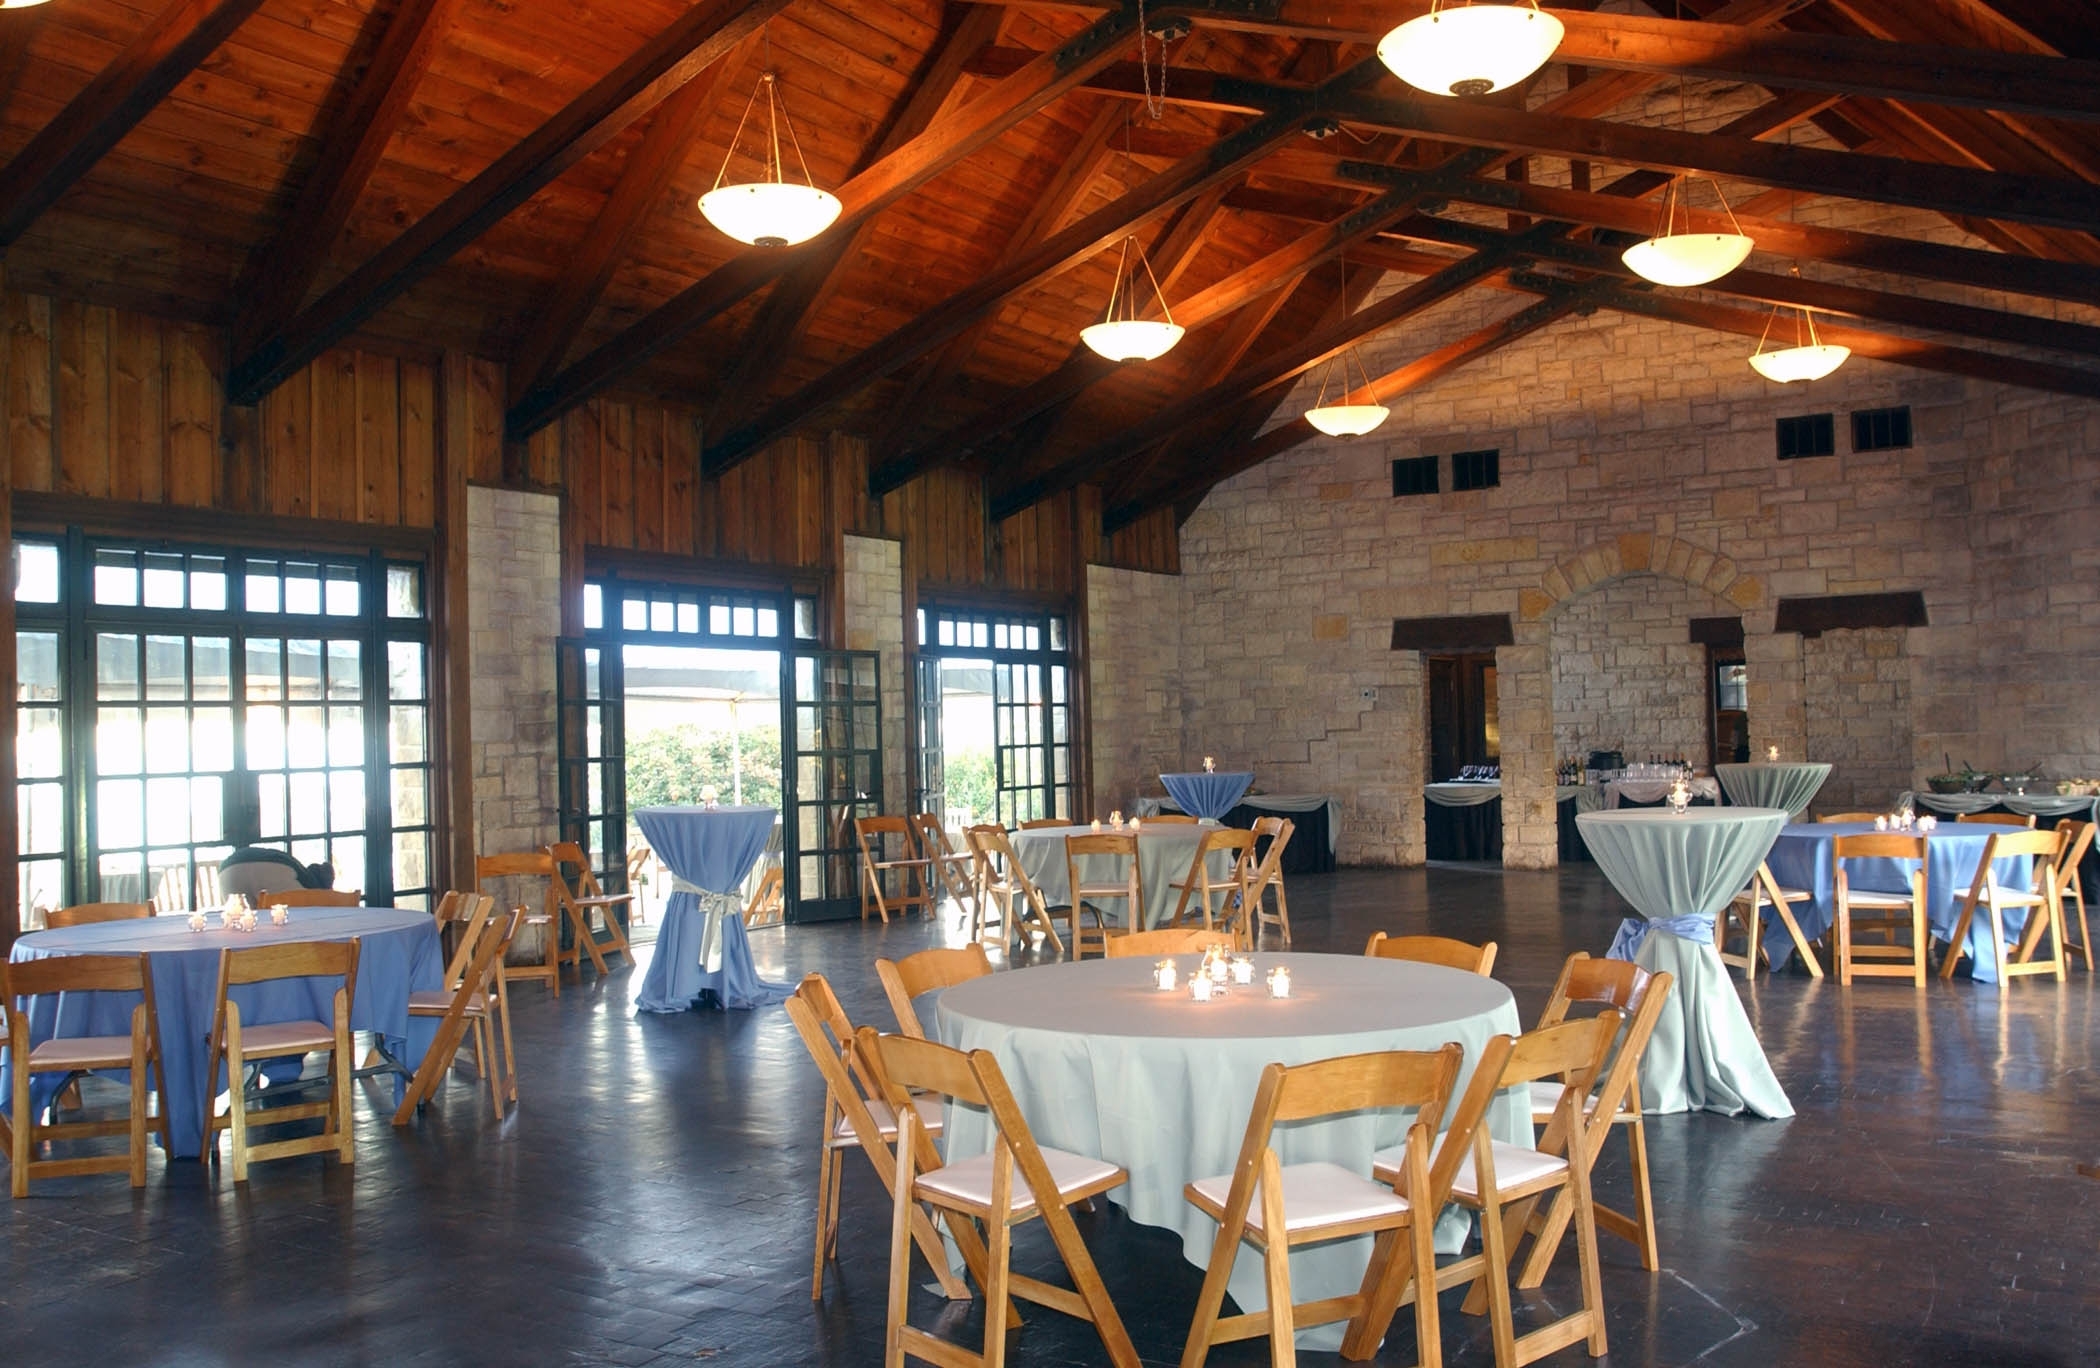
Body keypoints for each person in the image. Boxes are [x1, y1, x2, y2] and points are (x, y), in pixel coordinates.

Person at [215, 846, 335, 901]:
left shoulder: (299, 868)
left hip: (228, 869)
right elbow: (317, 908)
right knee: (293, 919)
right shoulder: (312, 884)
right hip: (273, 868)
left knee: (240, 924)